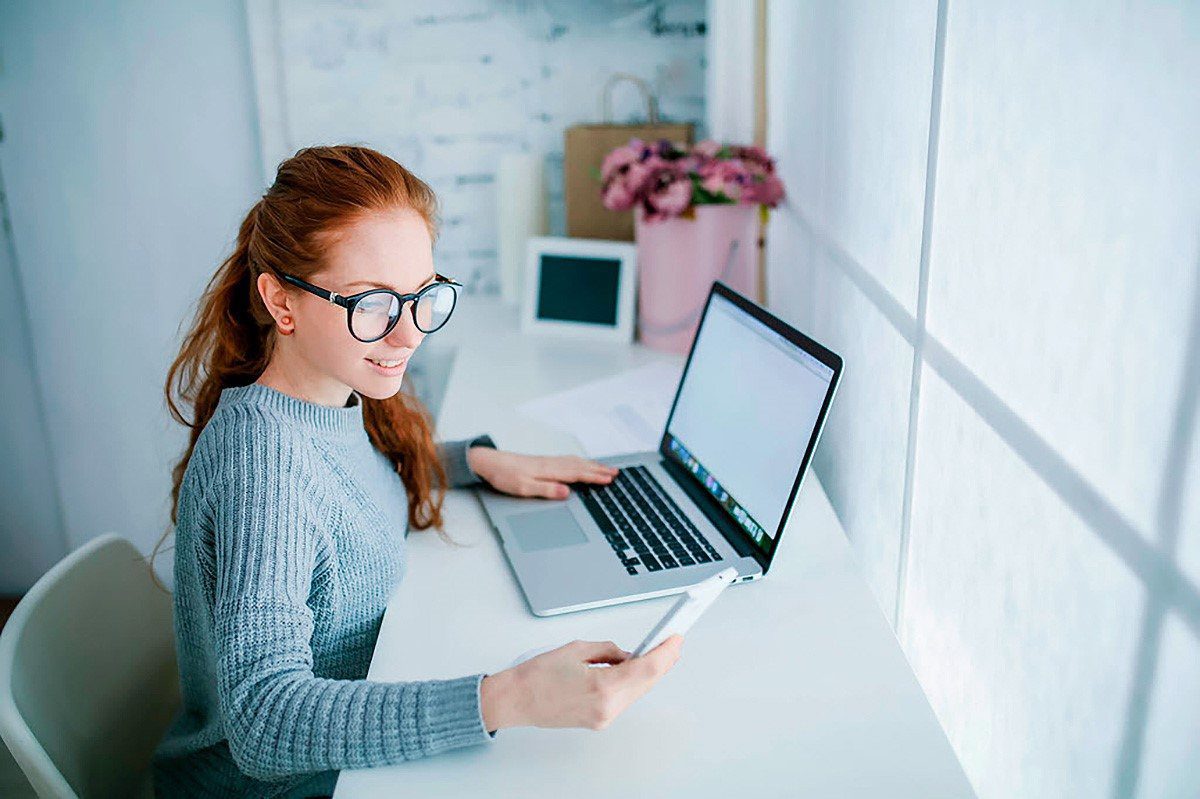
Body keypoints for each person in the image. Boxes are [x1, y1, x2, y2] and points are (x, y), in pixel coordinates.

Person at [149, 145, 684, 798]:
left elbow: (344, 486)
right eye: (371, 303)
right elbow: (264, 719)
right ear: (281, 302)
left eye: (421, 296)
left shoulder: (327, 395)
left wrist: (471, 460)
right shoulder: (262, 468)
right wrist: (508, 697)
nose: (407, 335)